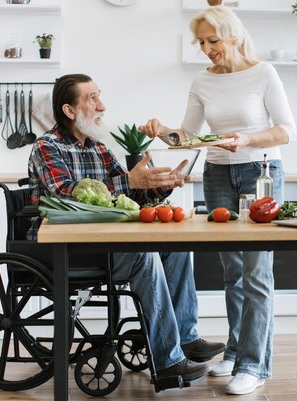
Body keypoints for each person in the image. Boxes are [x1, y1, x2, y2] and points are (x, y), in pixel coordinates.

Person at [27, 73, 225, 384]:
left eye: (99, 96)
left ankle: (185, 339)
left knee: (175, 248)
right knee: (143, 257)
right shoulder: (46, 147)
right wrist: (129, 180)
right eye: (92, 98)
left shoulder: (98, 149)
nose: (101, 105)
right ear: (69, 110)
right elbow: (63, 194)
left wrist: (162, 184)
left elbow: (130, 194)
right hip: (66, 250)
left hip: (102, 246)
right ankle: (169, 363)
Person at [140, 6, 297, 395]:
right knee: (232, 270)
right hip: (217, 174)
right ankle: (237, 350)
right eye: (201, 42)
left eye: (212, 40)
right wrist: (161, 132)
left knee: (256, 272)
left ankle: (255, 365)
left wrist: (245, 140)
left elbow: (286, 131)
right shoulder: (202, 81)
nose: (206, 48)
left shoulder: (263, 73)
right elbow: (188, 137)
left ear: (233, 36)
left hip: (258, 173)